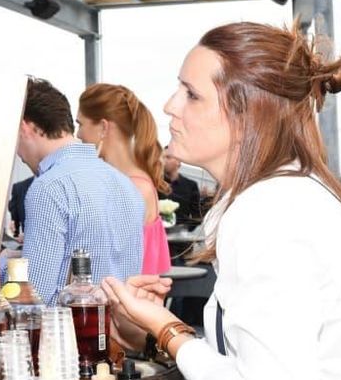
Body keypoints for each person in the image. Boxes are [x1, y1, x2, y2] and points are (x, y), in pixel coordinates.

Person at [103, 21, 341, 380]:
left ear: (248, 115)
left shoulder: (270, 212)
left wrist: (169, 332)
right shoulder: (279, 197)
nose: (169, 106)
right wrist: (156, 330)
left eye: (191, 94)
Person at [14, 78, 144, 303]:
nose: (18, 154)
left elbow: (35, 296)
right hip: (119, 320)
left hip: (72, 324)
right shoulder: (126, 184)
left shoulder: (49, 188)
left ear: (24, 128)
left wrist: (3, 266)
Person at [77, 82, 171, 275]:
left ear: (103, 127)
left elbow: (107, 265)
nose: (78, 134)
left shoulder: (130, 187)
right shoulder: (135, 182)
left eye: (80, 124)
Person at [159, 144, 204, 227]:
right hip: (157, 232)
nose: (163, 161)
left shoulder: (191, 186)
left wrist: (183, 230)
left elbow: (197, 218)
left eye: (168, 157)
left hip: (179, 233)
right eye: (162, 157)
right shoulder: (155, 183)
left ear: (179, 161)